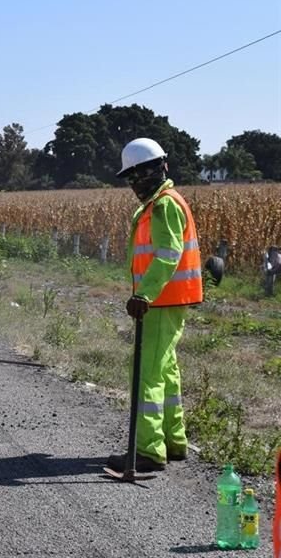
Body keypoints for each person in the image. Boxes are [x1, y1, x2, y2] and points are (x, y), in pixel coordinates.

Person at [107, 138, 203, 473]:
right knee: (166, 370)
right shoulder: (158, 204)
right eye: (130, 178)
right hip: (169, 300)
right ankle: (174, 442)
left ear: (156, 169)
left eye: (137, 176)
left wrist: (144, 294)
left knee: (147, 374)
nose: (134, 184)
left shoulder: (163, 205)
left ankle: (148, 450)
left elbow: (168, 254)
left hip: (161, 301)